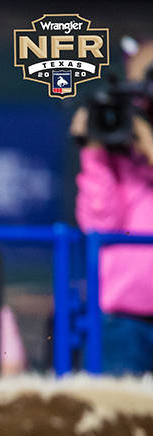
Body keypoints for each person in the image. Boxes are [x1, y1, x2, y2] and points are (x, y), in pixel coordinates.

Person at [72, 37, 153, 375]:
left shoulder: (141, 137)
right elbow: (99, 225)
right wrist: (92, 150)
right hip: (123, 320)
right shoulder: (121, 142)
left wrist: (145, 137)